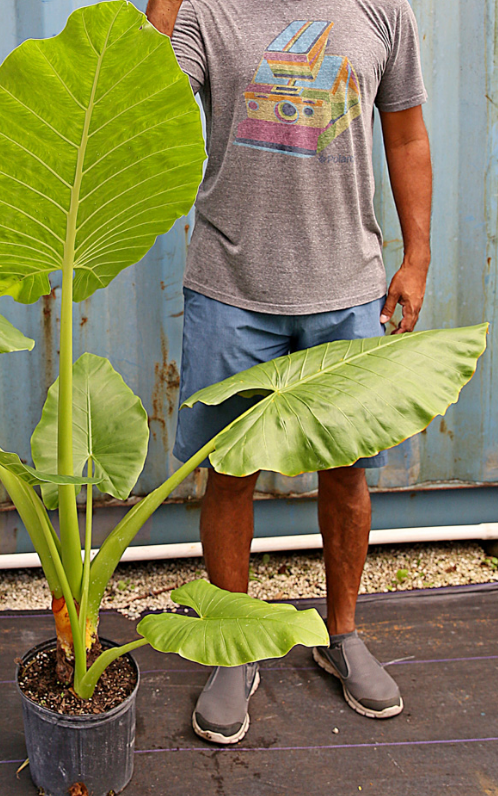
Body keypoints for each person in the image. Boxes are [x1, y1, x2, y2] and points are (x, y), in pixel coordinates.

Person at [145, 0, 432, 744]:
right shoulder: (203, 12)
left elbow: (404, 132)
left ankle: (344, 634)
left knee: (346, 470)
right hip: (230, 288)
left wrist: (417, 257)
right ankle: (233, 651)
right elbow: (144, 106)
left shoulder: (382, 9)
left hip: (347, 288)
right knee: (229, 473)